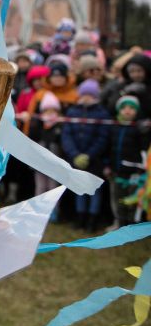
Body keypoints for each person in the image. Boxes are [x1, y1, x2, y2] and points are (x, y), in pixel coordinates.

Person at [60, 80, 110, 231]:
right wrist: (75, 154)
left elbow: (103, 138)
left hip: (95, 161)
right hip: (75, 159)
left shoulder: (102, 113)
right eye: (84, 94)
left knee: (94, 191)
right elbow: (66, 135)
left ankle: (92, 221)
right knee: (79, 189)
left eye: (90, 94)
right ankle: (80, 218)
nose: (87, 97)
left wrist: (89, 155)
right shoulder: (72, 112)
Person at [106, 95, 148, 229]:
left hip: (134, 173)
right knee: (117, 199)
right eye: (124, 108)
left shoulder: (140, 129)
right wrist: (107, 165)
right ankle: (119, 223)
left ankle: (132, 227)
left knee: (132, 200)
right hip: (116, 171)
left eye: (131, 108)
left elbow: (144, 151)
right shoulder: (114, 127)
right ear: (119, 110)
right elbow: (108, 148)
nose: (128, 111)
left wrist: (142, 170)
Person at [29, 92, 64, 199]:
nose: (49, 113)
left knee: (52, 186)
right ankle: (37, 207)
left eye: (53, 110)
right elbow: (32, 138)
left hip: (54, 160)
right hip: (40, 160)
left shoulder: (60, 124)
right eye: (47, 110)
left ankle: (53, 211)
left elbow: (61, 142)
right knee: (40, 185)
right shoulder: (38, 123)